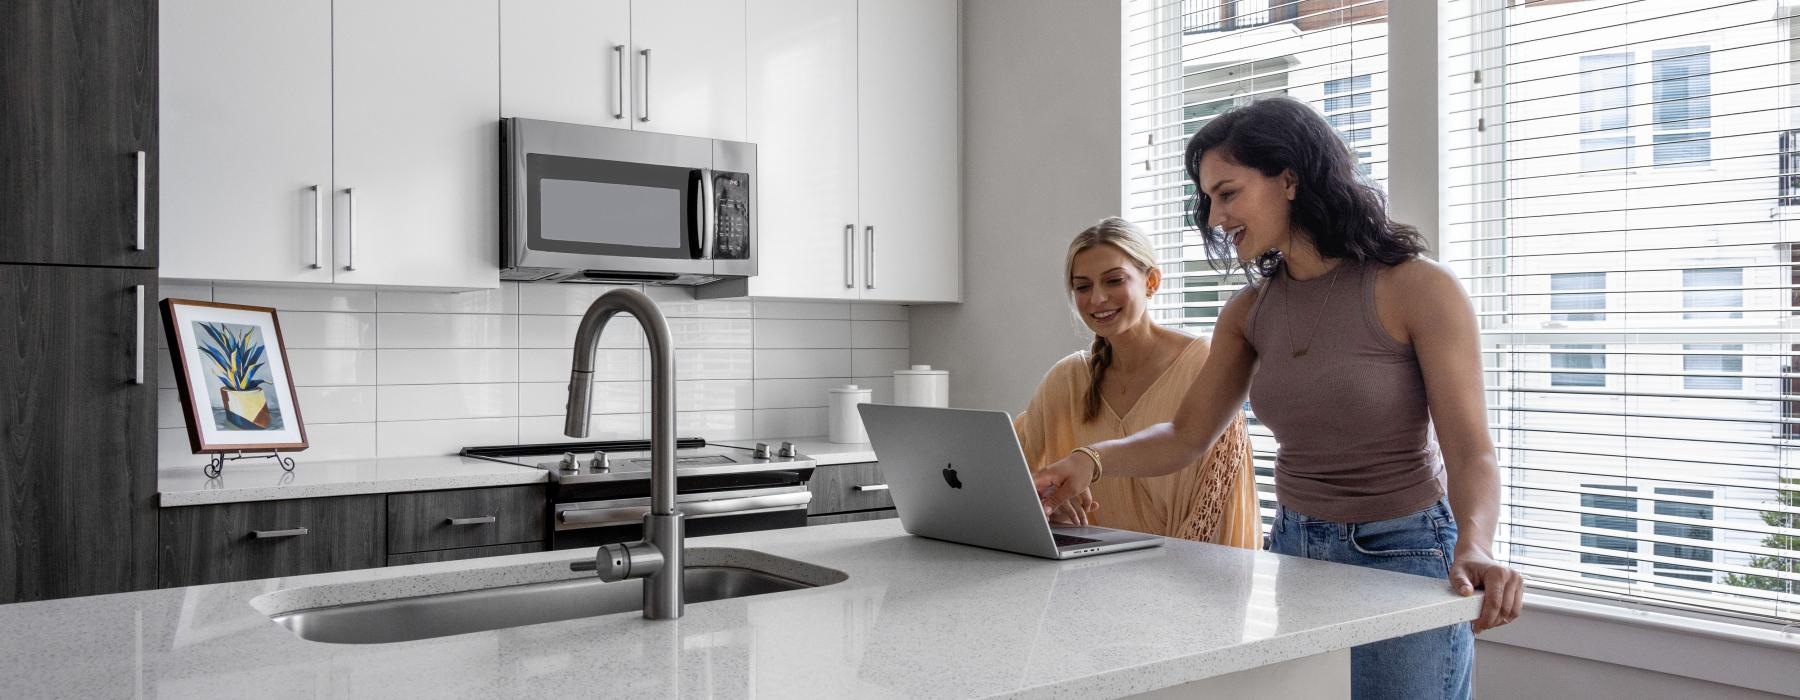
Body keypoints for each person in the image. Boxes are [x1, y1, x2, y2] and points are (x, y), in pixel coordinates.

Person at [1033, 97, 1523, 699]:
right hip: (1296, 550)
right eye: (1207, 199)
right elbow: (1186, 435)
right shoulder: (1248, 312)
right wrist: (1092, 460)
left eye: (1228, 193)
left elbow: (1472, 451)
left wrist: (1476, 544)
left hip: (1405, 555)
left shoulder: (1417, 288)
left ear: (1289, 178)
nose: (1213, 217)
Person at [1013, 217, 1260, 547]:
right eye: (1083, 287)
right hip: (1091, 578)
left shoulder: (1204, 363)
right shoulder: (1068, 379)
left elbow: (1221, 500)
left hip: (1188, 580)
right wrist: (1047, 504)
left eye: (1113, 281)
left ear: (1152, 281)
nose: (1097, 298)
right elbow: (1011, 475)